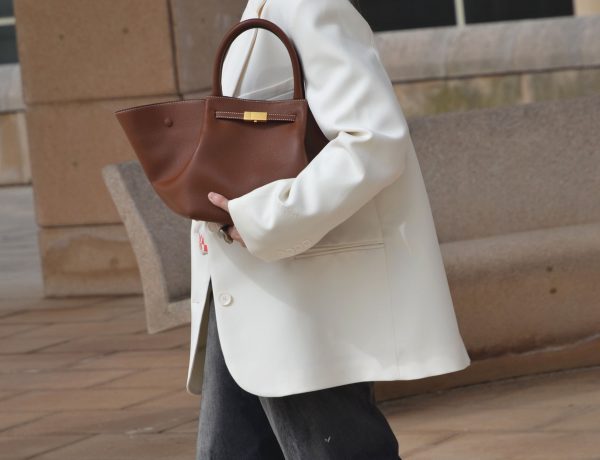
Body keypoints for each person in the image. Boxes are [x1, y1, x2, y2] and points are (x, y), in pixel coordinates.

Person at [190, 0, 472, 458]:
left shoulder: (310, 4)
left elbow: (374, 139)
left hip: (304, 292)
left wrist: (268, 217)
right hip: (247, 286)